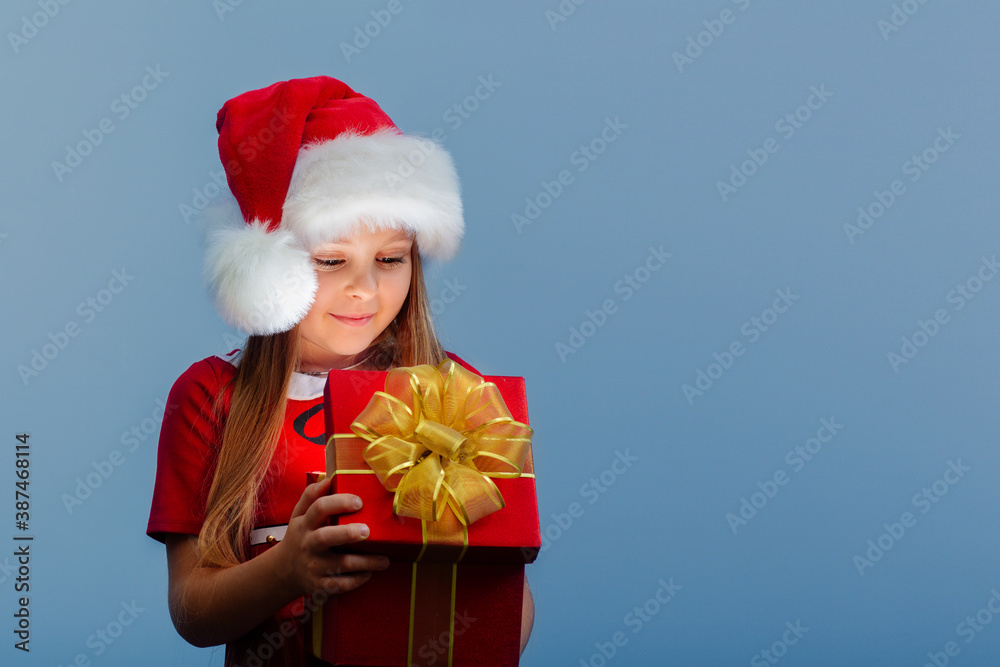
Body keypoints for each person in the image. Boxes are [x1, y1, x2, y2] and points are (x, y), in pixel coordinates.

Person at [145, 76, 534, 666]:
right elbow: (192, 612)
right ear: (269, 271)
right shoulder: (212, 396)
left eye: (390, 259)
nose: (365, 289)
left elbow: (511, 618)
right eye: (331, 260)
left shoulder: (456, 395)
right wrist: (288, 569)